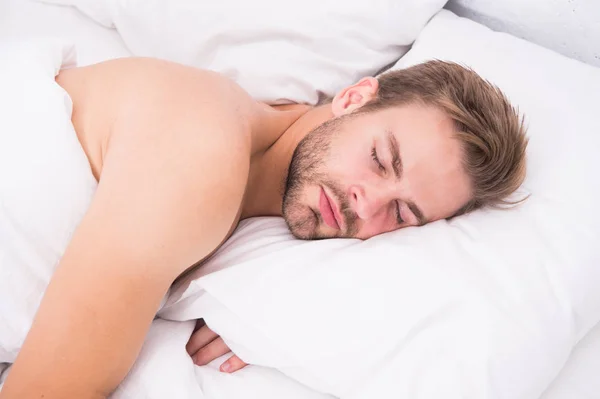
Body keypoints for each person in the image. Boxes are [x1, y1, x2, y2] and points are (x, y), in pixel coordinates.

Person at [0, 57, 527, 398]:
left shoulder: (250, 191)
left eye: (402, 213)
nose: (366, 206)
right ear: (353, 98)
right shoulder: (201, 152)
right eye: (380, 158)